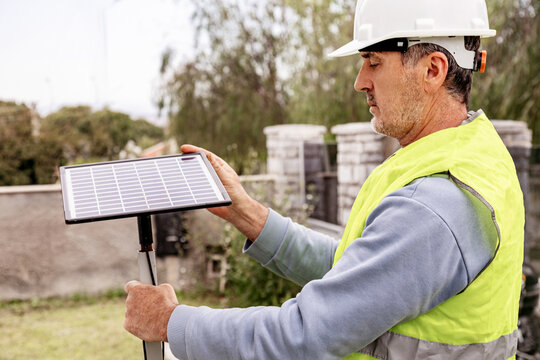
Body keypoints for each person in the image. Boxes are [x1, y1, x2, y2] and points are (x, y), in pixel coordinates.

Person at [124, 0, 525, 358]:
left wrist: (171, 322)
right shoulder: (472, 156)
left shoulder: (434, 205)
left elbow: (304, 335)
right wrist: (245, 213)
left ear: (432, 70)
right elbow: (356, 270)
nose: (360, 82)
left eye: (373, 61)